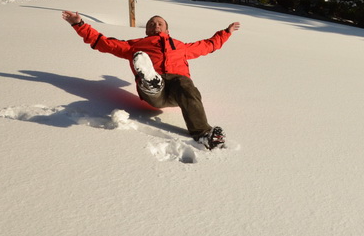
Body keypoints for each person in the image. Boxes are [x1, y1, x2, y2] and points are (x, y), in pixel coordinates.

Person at [61, 10, 240, 149]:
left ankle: (202, 133)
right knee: (145, 66)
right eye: (152, 23)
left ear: (166, 29)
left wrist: (226, 32)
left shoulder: (180, 46)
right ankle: (151, 80)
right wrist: (80, 25)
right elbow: (104, 43)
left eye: (160, 23)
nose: (156, 25)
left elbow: (208, 45)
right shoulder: (135, 45)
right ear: (146, 30)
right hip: (155, 94)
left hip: (178, 90)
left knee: (184, 83)